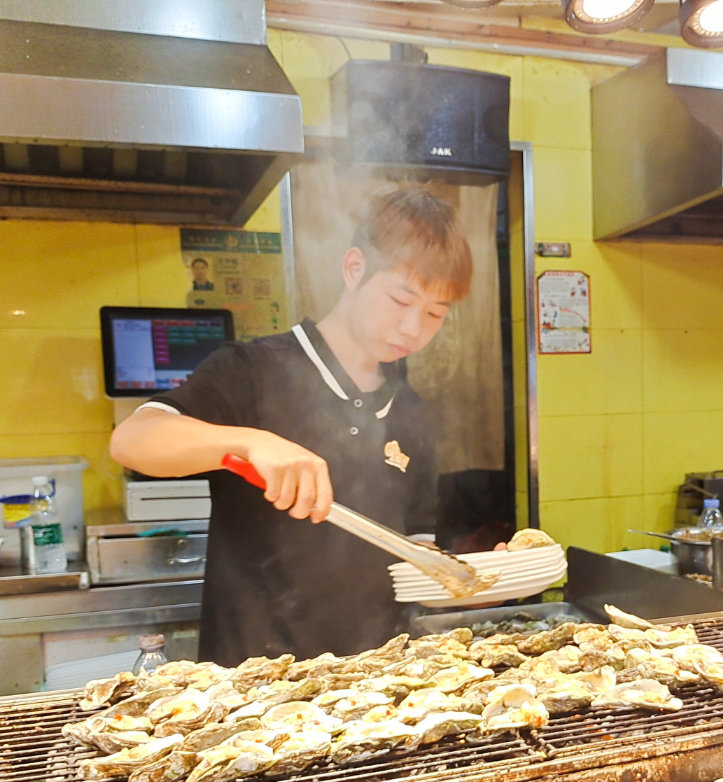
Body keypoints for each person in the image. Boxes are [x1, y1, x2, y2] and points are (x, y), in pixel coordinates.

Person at [111, 188, 472, 665]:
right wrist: (247, 441)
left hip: (374, 684)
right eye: (400, 299)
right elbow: (134, 440)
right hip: (254, 686)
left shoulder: (410, 411)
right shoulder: (251, 369)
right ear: (354, 268)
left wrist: (482, 581)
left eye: (434, 314)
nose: (412, 328)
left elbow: (417, 558)